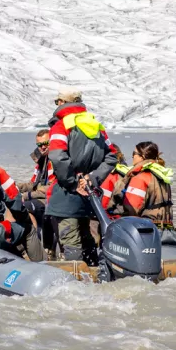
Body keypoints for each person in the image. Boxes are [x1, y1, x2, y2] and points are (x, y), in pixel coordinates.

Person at [45, 90, 118, 264]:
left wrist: (72, 182)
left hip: (67, 192)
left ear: (62, 102)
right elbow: (111, 155)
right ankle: (96, 272)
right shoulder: (96, 125)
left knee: (70, 240)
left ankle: (76, 280)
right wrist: (92, 178)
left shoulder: (62, 125)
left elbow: (57, 156)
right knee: (86, 238)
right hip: (89, 193)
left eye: (57, 101)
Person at [108, 140, 176, 246]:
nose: (132, 157)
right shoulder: (161, 175)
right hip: (169, 231)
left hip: (149, 233)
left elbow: (132, 209)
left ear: (142, 156)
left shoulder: (141, 177)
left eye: (134, 154)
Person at [14, 129, 59, 259]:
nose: (42, 147)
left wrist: (27, 195)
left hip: (51, 199)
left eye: (46, 143)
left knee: (25, 206)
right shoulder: (41, 161)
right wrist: (17, 187)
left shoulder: (54, 161)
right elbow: (33, 183)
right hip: (42, 197)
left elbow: (51, 187)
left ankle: (36, 246)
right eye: (39, 145)